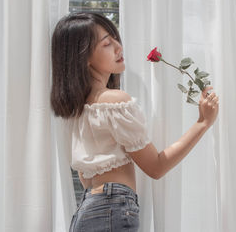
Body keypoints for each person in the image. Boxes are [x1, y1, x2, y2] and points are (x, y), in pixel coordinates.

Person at [50, 12, 219, 232]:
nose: (119, 47)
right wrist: (202, 123)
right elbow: (156, 167)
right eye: (107, 44)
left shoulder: (77, 110)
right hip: (110, 208)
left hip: (87, 209)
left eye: (115, 39)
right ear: (84, 57)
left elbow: (85, 176)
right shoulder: (114, 101)